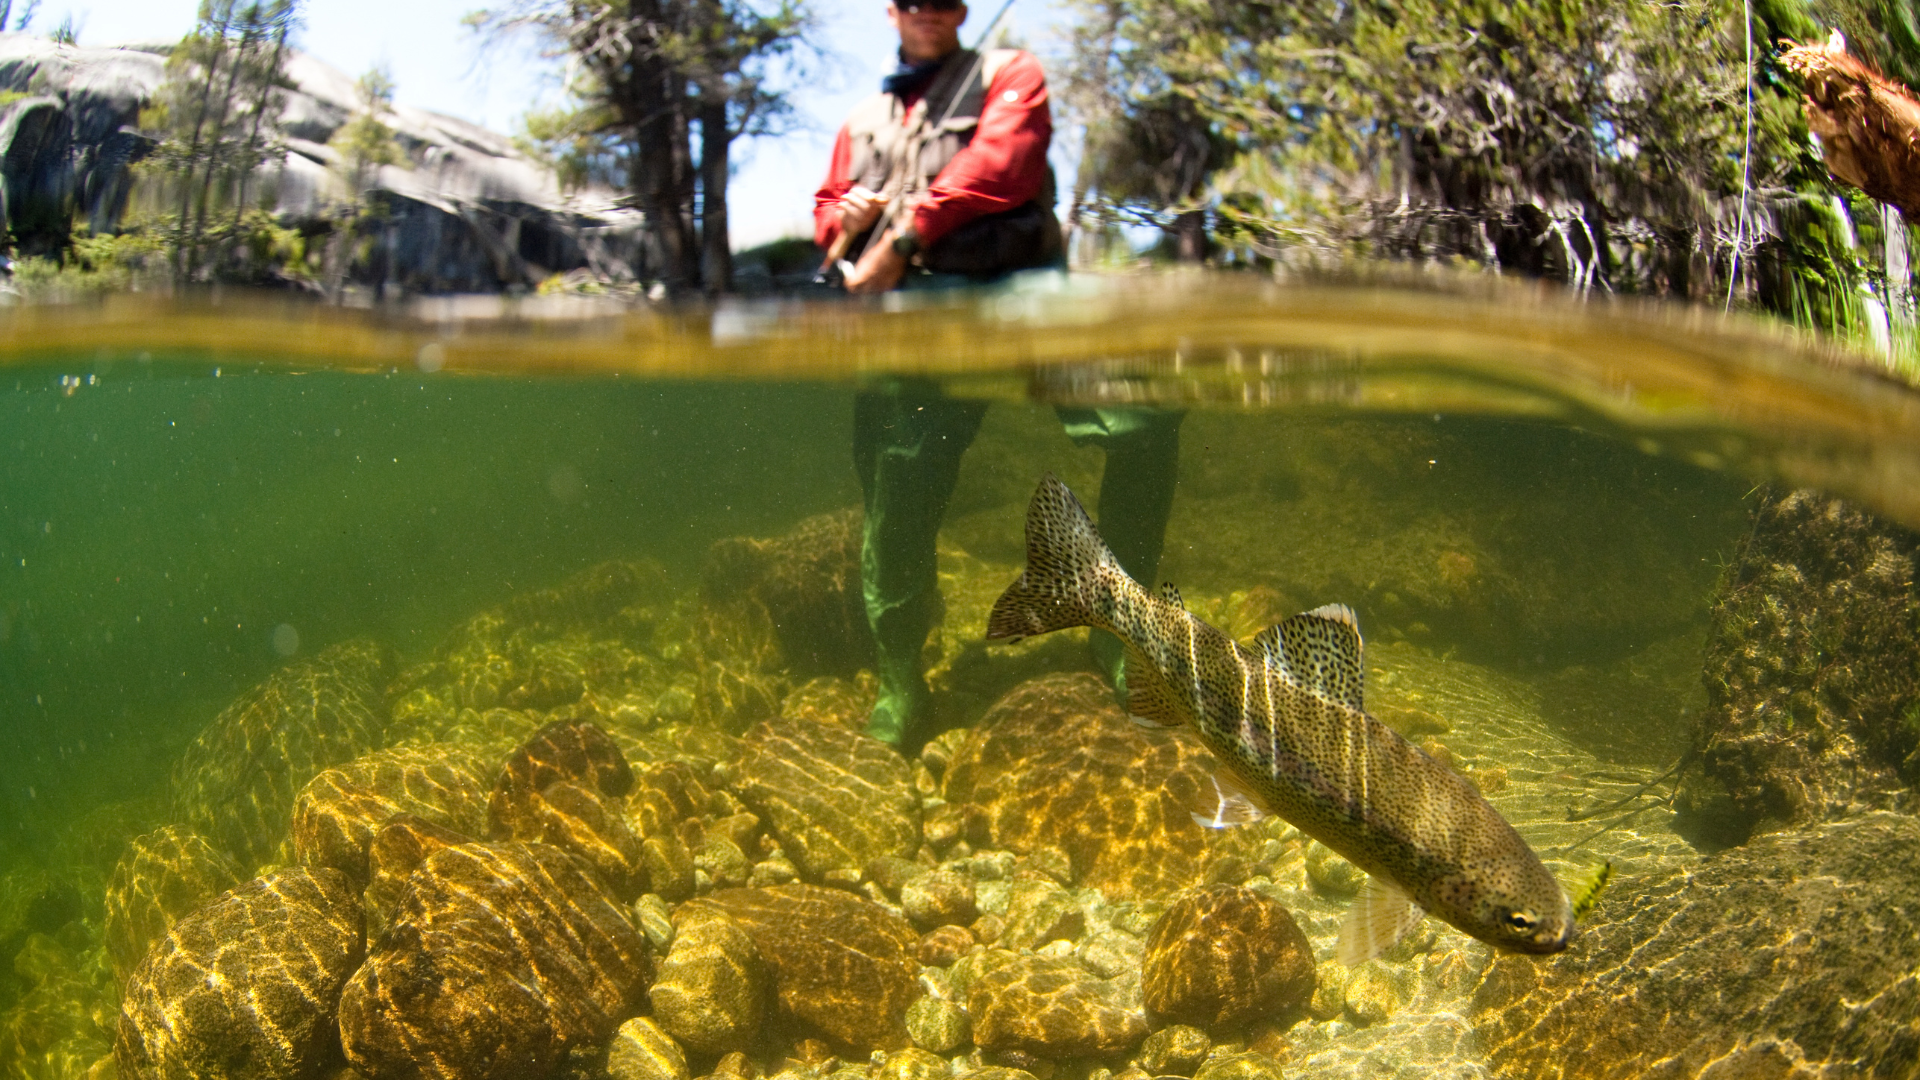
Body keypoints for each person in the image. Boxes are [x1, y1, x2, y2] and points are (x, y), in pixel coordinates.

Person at [815, 1, 1181, 751]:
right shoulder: (864, 120)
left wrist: (908, 230)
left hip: (1030, 294)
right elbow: (825, 215)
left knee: (1143, 421)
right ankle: (900, 678)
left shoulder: (1011, 73)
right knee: (896, 485)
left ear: (963, 10)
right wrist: (844, 221)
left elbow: (1004, 165)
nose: (928, 11)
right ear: (892, 10)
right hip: (922, 315)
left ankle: (1118, 630)